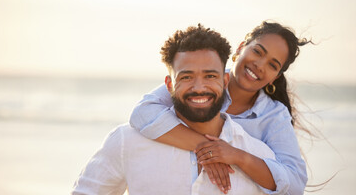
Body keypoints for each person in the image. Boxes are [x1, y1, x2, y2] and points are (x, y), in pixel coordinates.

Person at [72, 24, 276, 195]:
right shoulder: (127, 141)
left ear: (224, 81)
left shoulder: (257, 155)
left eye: (210, 76)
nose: (199, 87)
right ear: (169, 85)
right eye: (186, 77)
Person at [130, 21, 311, 194]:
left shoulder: (274, 115)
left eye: (272, 65)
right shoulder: (202, 77)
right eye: (257, 52)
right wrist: (208, 149)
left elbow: (294, 185)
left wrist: (238, 156)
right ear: (240, 48)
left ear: (275, 77)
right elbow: (142, 114)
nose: (259, 65)